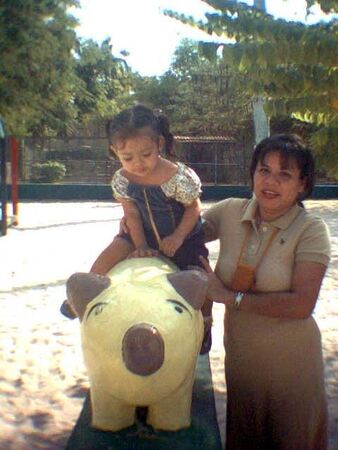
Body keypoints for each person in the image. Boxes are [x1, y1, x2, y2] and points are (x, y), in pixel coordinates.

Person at [200, 134, 331, 449]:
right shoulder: (229, 212)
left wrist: (229, 298)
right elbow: (185, 235)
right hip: (242, 366)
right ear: (252, 173)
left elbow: (302, 304)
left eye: (284, 174)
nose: (270, 181)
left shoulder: (311, 230)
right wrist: (134, 225)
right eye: (264, 170)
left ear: (302, 184)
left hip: (292, 371)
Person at [61, 104, 212, 353]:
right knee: (109, 254)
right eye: (128, 157)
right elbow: (131, 213)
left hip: (181, 236)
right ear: (115, 151)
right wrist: (140, 245)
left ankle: (205, 323)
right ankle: (81, 297)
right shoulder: (122, 180)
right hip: (140, 231)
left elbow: (193, 209)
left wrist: (178, 236)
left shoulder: (178, 177)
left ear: (159, 144)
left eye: (146, 154)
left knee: (201, 276)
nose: (138, 163)